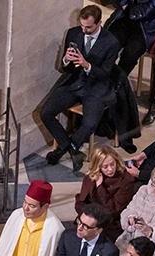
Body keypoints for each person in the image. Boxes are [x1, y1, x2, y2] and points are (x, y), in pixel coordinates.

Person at [41, 5, 121, 172]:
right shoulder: (73, 33)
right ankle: (72, 150)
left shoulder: (111, 42)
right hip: (74, 83)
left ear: (99, 23)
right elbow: (67, 69)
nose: (84, 30)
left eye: (89, 27)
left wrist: (87, 65)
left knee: (90, 123)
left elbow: (106, 74)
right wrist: (65, 60)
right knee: (46, 112)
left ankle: (61, 150)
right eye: (82, 25)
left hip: (96, 88)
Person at [73, 146, 136, 242]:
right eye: (105, 167)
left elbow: (112, 210)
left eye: (112, 164)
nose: (110, 169)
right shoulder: (91, 177)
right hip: (88, 219)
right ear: (98, 167)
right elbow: (81, 201)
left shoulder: (126, 181)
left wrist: (100, 187)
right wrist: (86, 218)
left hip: (110, 224)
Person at [105, 0, 155, 75]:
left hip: (146, 27)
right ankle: (102, 78)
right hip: (122, 17)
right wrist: (124, 5)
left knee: (130, 54)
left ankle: (118, 81)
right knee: (108, 45)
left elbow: (151, 8)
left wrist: (129, 9)